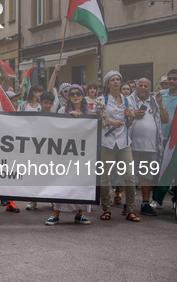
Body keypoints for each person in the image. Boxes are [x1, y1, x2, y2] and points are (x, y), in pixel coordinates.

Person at [45, 85, 92, 225]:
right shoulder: (62, 110)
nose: (75, 96)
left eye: (78, 93)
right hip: (67, 153)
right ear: (68, 97)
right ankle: (56, 214)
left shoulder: (89, 112)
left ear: (82, 96)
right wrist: (68, 117)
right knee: (63, 183)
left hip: (83, 153)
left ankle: (80, 214)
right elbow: (57, 129)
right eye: (72, 94)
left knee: (82, 183)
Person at [96, 70, 138, 222]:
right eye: (113, 80)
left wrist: (132, 117)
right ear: (108, 84)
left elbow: (130, 123)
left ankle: (130, 210)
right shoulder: (102, 100)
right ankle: (106, 209)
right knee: (104, 177)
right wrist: (110, 123)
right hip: (106, 143)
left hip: (123, 142)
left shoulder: (127, 101)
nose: (116, 82)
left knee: (129, 176)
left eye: (118, 79)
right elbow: (97, 120)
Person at [128, 78, 169, 216]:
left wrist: (161, 103)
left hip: (151, 146)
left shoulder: (154, 102)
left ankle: (145, 203)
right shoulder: (129, 100)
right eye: (140, 85)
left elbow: (165, 119)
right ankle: (129, 204)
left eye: (146, 85)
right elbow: (122, 119)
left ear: (149, 87)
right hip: (132, 145)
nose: (143, 87)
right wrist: (133, 115)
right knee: (130, 176)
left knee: (147, 176)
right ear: (136, 87)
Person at [26, 90, 56, 211]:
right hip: (37, 151)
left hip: (52, 151)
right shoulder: (34, 116)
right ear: (40, 102)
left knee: (52, 176)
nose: (48, 105)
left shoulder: (56, 117)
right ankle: (33, 200)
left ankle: (54, 201)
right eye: (45, 103)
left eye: (50, 103)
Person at [153, 69, 177, 209]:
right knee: (159, 171)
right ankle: (156, 200)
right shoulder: (160, 95)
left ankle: (175, 200)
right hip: (161, 139)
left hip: (176, 140)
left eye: (175, 79)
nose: (172, 81)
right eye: (170, 79)